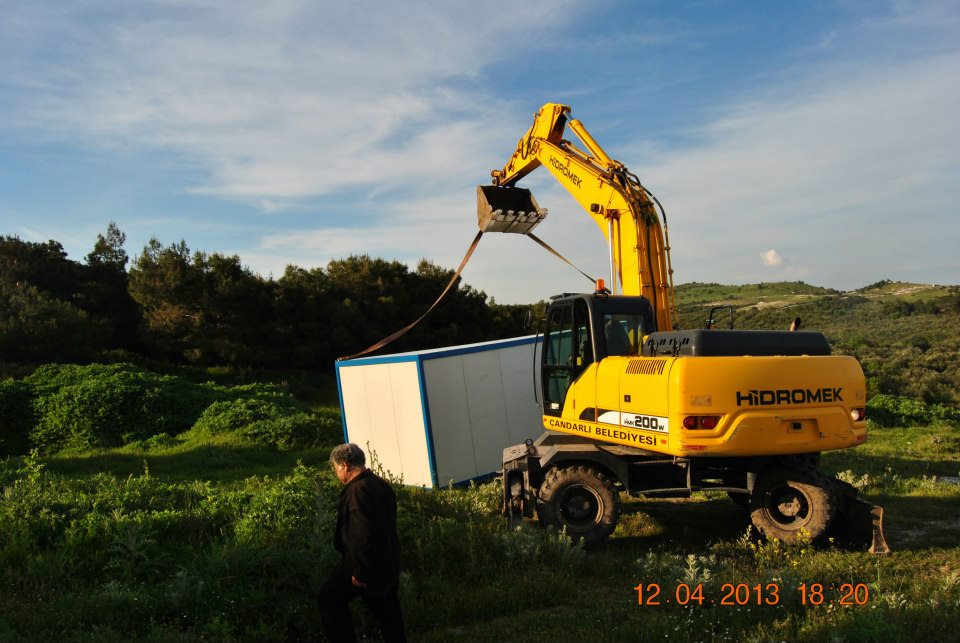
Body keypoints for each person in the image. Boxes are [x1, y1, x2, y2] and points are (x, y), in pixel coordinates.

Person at [319, 443, 406, 643]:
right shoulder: (379, 484)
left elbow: (361, 536)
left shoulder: (357, 491)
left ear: (345, 465)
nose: (336, 473)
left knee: (329, 599)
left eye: (336, 468)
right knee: (388, 613)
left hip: (365, 563)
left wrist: (360, 571)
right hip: (388, 558)